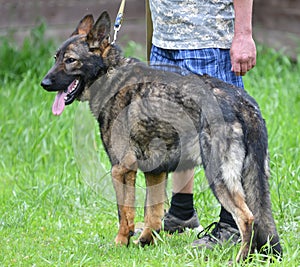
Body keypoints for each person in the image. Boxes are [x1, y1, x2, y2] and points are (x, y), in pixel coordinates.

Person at [145, 0, 256, 248]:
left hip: (207, 39)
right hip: (164, 39)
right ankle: (181, 212)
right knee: (175, 129)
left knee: (220, 135)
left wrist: (243, 34)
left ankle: (232, 224)